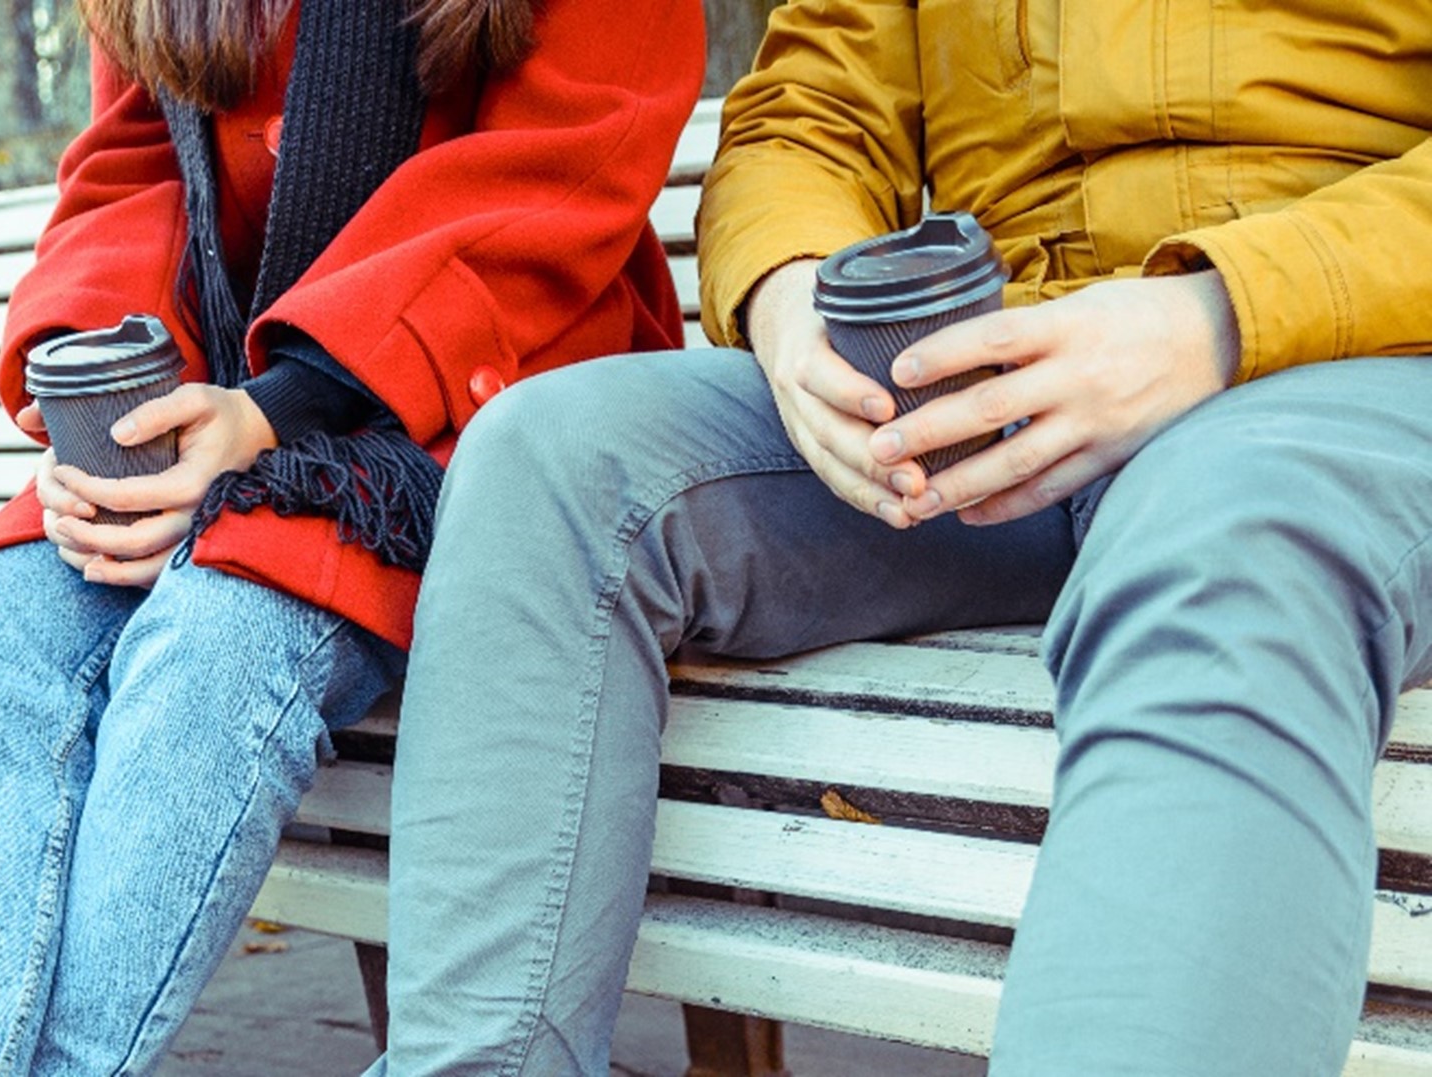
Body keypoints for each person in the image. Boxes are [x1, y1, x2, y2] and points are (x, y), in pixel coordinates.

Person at [365, 2, 1432, 1074]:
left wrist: (1218, 314)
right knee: (556, 457)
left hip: (1348, 371)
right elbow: (814, 108)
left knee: (1227, 558)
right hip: (992, 383)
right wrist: (790, 301)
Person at [0, 0, 703, 1072]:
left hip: (459, 421)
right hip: (211, 397)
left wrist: (278, 410)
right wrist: (104, 389)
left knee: (222, 637)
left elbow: (563, 168)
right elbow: (135, 164)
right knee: (2, 624)